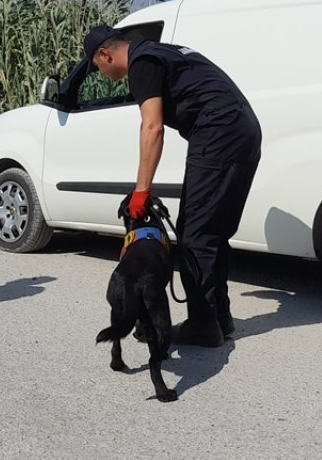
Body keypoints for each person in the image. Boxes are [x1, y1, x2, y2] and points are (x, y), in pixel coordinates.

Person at [84, 26, 262, 348]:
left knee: (195, 234)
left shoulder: (142, 64)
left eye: (97, 66)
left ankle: (203, 326)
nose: (101, 72)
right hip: (245, 129)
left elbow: (152, 127)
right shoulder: (164, 51)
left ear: (105, 55)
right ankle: (219, 319)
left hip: (218, 132)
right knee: (213, 231)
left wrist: (141, 191)